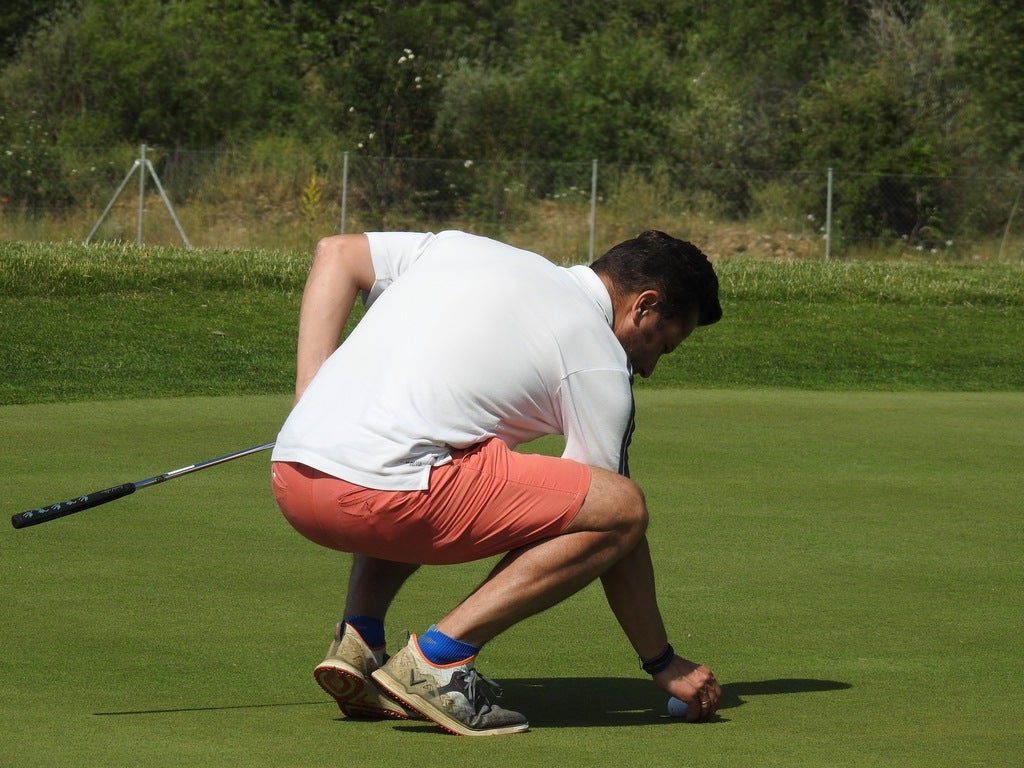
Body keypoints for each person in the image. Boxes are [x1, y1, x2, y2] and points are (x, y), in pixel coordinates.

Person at [270, 229, 723, 736]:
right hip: (380, 500)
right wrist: (662, 661)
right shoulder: (597, 354)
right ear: (645, 305)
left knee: (448, 453)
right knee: (623, 506)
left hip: (293, 479)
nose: (651, 365)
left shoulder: (462, 248)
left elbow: (340, 252)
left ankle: (360, 637)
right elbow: (617, 526)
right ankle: (438, 661)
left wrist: (309, 396)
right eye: (664, 343)